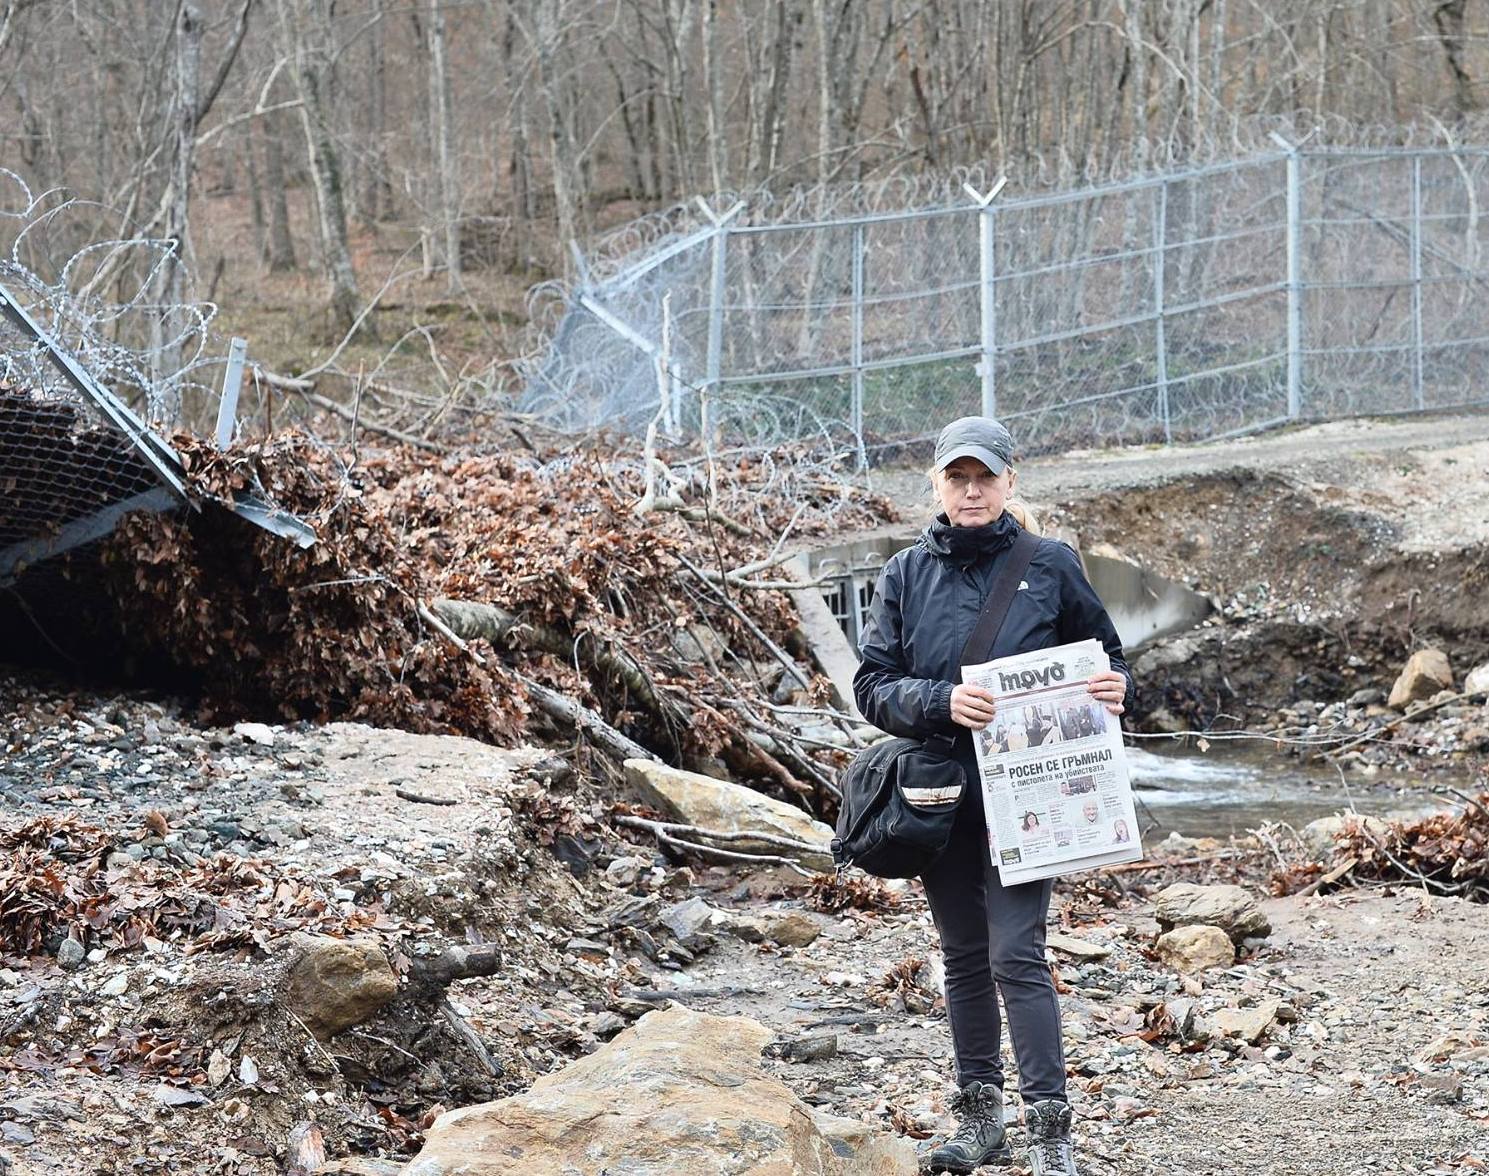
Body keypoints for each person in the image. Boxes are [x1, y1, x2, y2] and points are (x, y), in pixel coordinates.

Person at [854, 415, 1133, 1176]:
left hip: (1031, 794)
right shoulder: (905, 573)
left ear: (1011, 482)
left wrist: (1116, 686)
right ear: (937, 485)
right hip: (938, 795)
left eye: (984, 478)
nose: (970, 491)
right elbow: (872, 687)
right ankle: (981, 1121)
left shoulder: (1049, 564)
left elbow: (1103, 656)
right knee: (963, 957)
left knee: (1017, 952)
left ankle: (1052, 1135)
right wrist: (939, 702)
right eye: (956, 478)